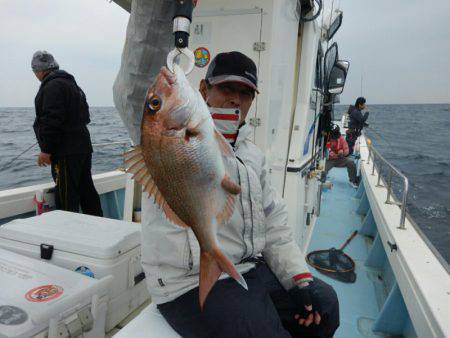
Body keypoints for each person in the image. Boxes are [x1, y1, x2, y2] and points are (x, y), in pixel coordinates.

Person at [141, 51, 339, 337]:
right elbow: (134, 86)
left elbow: (274, 225)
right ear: (203, 89)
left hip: (248, 267)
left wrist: (298, 280)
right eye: (226, 88)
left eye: (245, 93)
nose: (236, 99)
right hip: (185, 284)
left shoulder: (252, 156)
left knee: (324, 305)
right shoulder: (159, 137)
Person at [31, 51, 103, 216]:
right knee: (86, 190)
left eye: (35, 71)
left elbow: (52, 119)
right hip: (83, 147)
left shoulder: (51, 86)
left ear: (40, 71)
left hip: (65, 151)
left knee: (65, 194)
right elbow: (85, 116)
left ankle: (68, 234)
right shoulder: (71, 84)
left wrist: (46, 150)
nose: (35, 75)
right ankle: (99, 228)